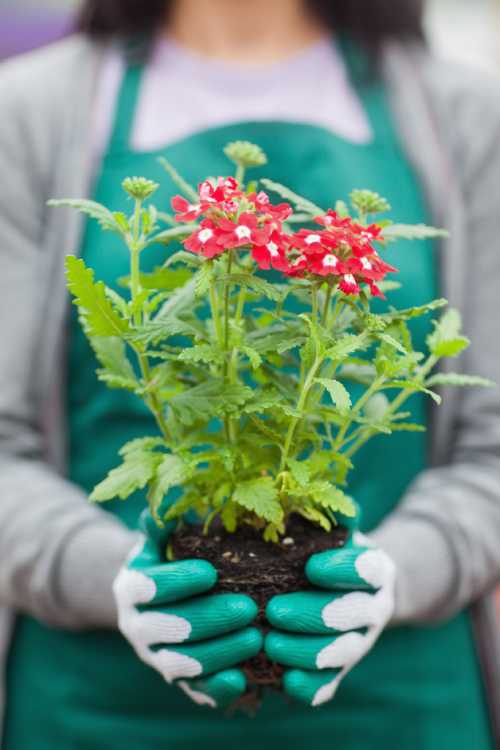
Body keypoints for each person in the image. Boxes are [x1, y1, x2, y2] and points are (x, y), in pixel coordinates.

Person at [0, 0, 499, 747]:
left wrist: (395, 575)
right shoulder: (25, 111)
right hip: (97, 708)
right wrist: (113, 577)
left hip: (397, 706)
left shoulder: (467, 115)